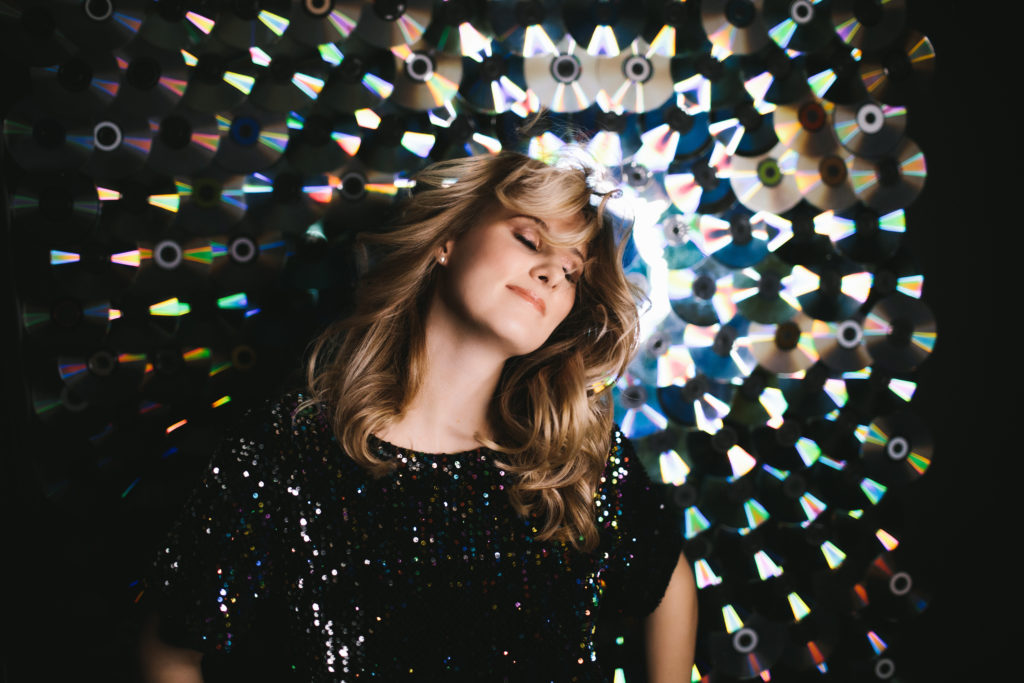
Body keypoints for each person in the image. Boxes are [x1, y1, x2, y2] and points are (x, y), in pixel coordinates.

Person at [139, 150, 698, 682]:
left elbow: (667, 579)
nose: (553, 272)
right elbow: (169, 651)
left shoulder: (571, 461)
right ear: (449, 242)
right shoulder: (290, 448)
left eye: (573, 272)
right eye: (530, 239)